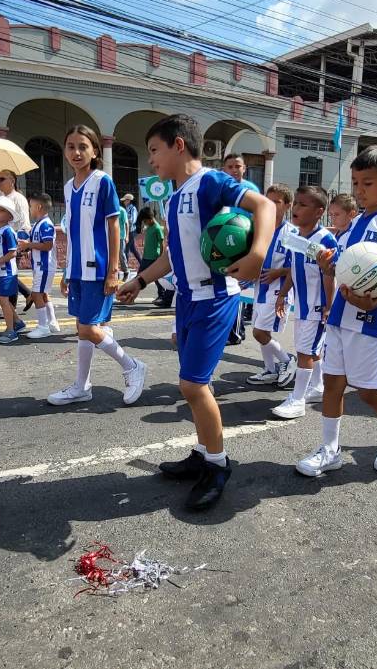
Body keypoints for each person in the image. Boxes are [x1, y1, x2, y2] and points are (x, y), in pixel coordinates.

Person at [116, 113, 273, 509]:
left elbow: (265, 206)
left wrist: (256, 254)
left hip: (216, 297)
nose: (151, 160)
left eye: (155, 150)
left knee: (192, 385)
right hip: (187, 300)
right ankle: (204, 453)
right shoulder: (174, 196)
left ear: (179, 145)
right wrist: (140, 280)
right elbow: (173, 255)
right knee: (192, 385)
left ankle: (218, 466)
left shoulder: (210, 182)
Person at [298, 145, 377, 476]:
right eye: (355, 183)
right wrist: (328, 266)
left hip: (370, 320)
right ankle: (330, 450)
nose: (359, 191)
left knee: (368, 392)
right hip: (340, 316)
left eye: (367, 183)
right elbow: (346, 270)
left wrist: (374, 302)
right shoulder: (353, 224)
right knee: (333, 384)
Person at [48, 125, 147, 407]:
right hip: (78, 270)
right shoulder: (69, 187)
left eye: (83, 146)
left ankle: (131, 366)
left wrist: (113, 270)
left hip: (99, 268)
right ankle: (82, 386)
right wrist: (67, 270)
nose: (76, 152)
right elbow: (74, 232)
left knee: (89, 328)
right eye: (70, 146)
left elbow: (114, 225)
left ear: (94, 151)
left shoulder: (102, 181)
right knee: (83, 328)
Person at [271, 185, 338, 419]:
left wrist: (329, 306)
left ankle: (297, 400)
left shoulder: (325, 239)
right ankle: (317, 387)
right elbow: (294, 269)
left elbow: (331, 275)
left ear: (319, 212)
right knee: (311, 351)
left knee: (304, 352)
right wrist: (282, 293)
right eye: (296, 203)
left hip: (316, 308)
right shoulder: (296, 237)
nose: (296, 209)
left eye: (302, 204)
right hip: (301, 305)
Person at [246, 183, 299, 388]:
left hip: (279, 290)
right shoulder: (260, 228)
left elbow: (301, 265)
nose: (271, 205)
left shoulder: (292, 233)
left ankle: (287, 361)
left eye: (277, 201)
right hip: (260, 288)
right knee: (261, 332)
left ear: (288, 205)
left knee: (259, 332)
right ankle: (270, 369)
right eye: (268, 200)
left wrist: (280, 272)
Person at [19, 192, 62, 338]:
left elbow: (48, 245)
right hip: (40, 266)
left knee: (37, 294)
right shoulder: (39, 224)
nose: (30, 209)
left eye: (31, 206)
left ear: (38, 207)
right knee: (43, 294)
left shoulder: (46, 224)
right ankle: (52, 322)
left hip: (44, 265)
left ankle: (43, 326)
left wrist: (28, 244)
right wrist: (27, 246)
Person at [0, 196, 27, 344]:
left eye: (2, 210)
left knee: (3, 299)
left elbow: (12, 252)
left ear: (10, 216)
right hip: (0, 271)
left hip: (7, 272)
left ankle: (11, 330)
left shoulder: (8, 231)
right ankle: (17, 322)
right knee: (1, 298)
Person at [0, 169, 34, 306]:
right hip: (2, 240)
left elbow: (24, 222)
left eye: (2, 179)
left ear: (12, 181)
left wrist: (24, 243)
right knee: (7, 272)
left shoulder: (18, 198)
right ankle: (25, 296)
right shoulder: (2, 198)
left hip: (14, 239)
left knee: (10, 272)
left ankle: (12, 306)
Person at [137, 205, 169, 306]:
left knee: (155, 278)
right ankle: (132, 293)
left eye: (145, 221)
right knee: (140, 275)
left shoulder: (157, 228)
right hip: (146, 257)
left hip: (154, 257)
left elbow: (161, 243)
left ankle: (162, 294)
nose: (144, 223)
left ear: (150, 219)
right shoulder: (149, 227)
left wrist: (161, 256)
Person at [121, 193, 142, 275]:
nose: (124, 202)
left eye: (125, 200)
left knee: (126, 249)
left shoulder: (133, 209)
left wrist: (126, 221)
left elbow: (133, 220)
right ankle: (142, 263)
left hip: (131, 231)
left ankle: (125, 268)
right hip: (128, 231)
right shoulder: (126, 209)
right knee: (133, 249)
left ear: (129, 200)